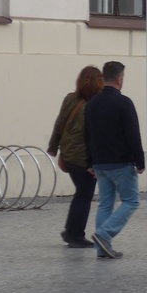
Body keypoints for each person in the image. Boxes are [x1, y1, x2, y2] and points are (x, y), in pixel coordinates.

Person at [84, 60, 145, 259]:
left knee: (105, 204)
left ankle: (103, 248)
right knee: (131, 200)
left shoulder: (92, 103)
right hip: (121, 163)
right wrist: (140, 160)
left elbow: (87, 134)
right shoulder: (124, 102)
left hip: (100, 163)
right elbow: (132, 134)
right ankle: (104, 234)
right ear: (120, 78)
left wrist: (89, 162)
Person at [46, 65, 103, 248]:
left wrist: (54, 147)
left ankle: (70, 230)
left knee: (80, 194)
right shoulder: (96, 104)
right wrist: (94, 162)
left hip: (69, 155)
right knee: (84, 196)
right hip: (84, 159)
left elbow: (59, 124)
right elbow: (95, 135)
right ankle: (76, 235)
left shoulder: (70, 98)